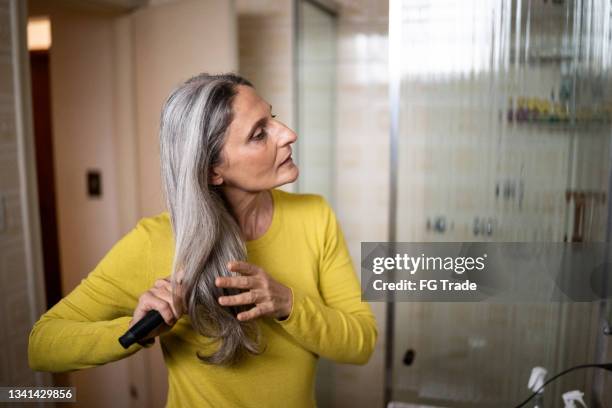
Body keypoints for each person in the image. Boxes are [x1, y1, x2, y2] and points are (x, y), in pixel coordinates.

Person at [28, 72, 378, 407]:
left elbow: (360, 343)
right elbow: (42, 346)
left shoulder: (314, 216)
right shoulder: (156, 241)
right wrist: (137, 330)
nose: (288, 133)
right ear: (213, 170)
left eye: (273, 118)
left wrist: (288, 303)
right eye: (259, 133)